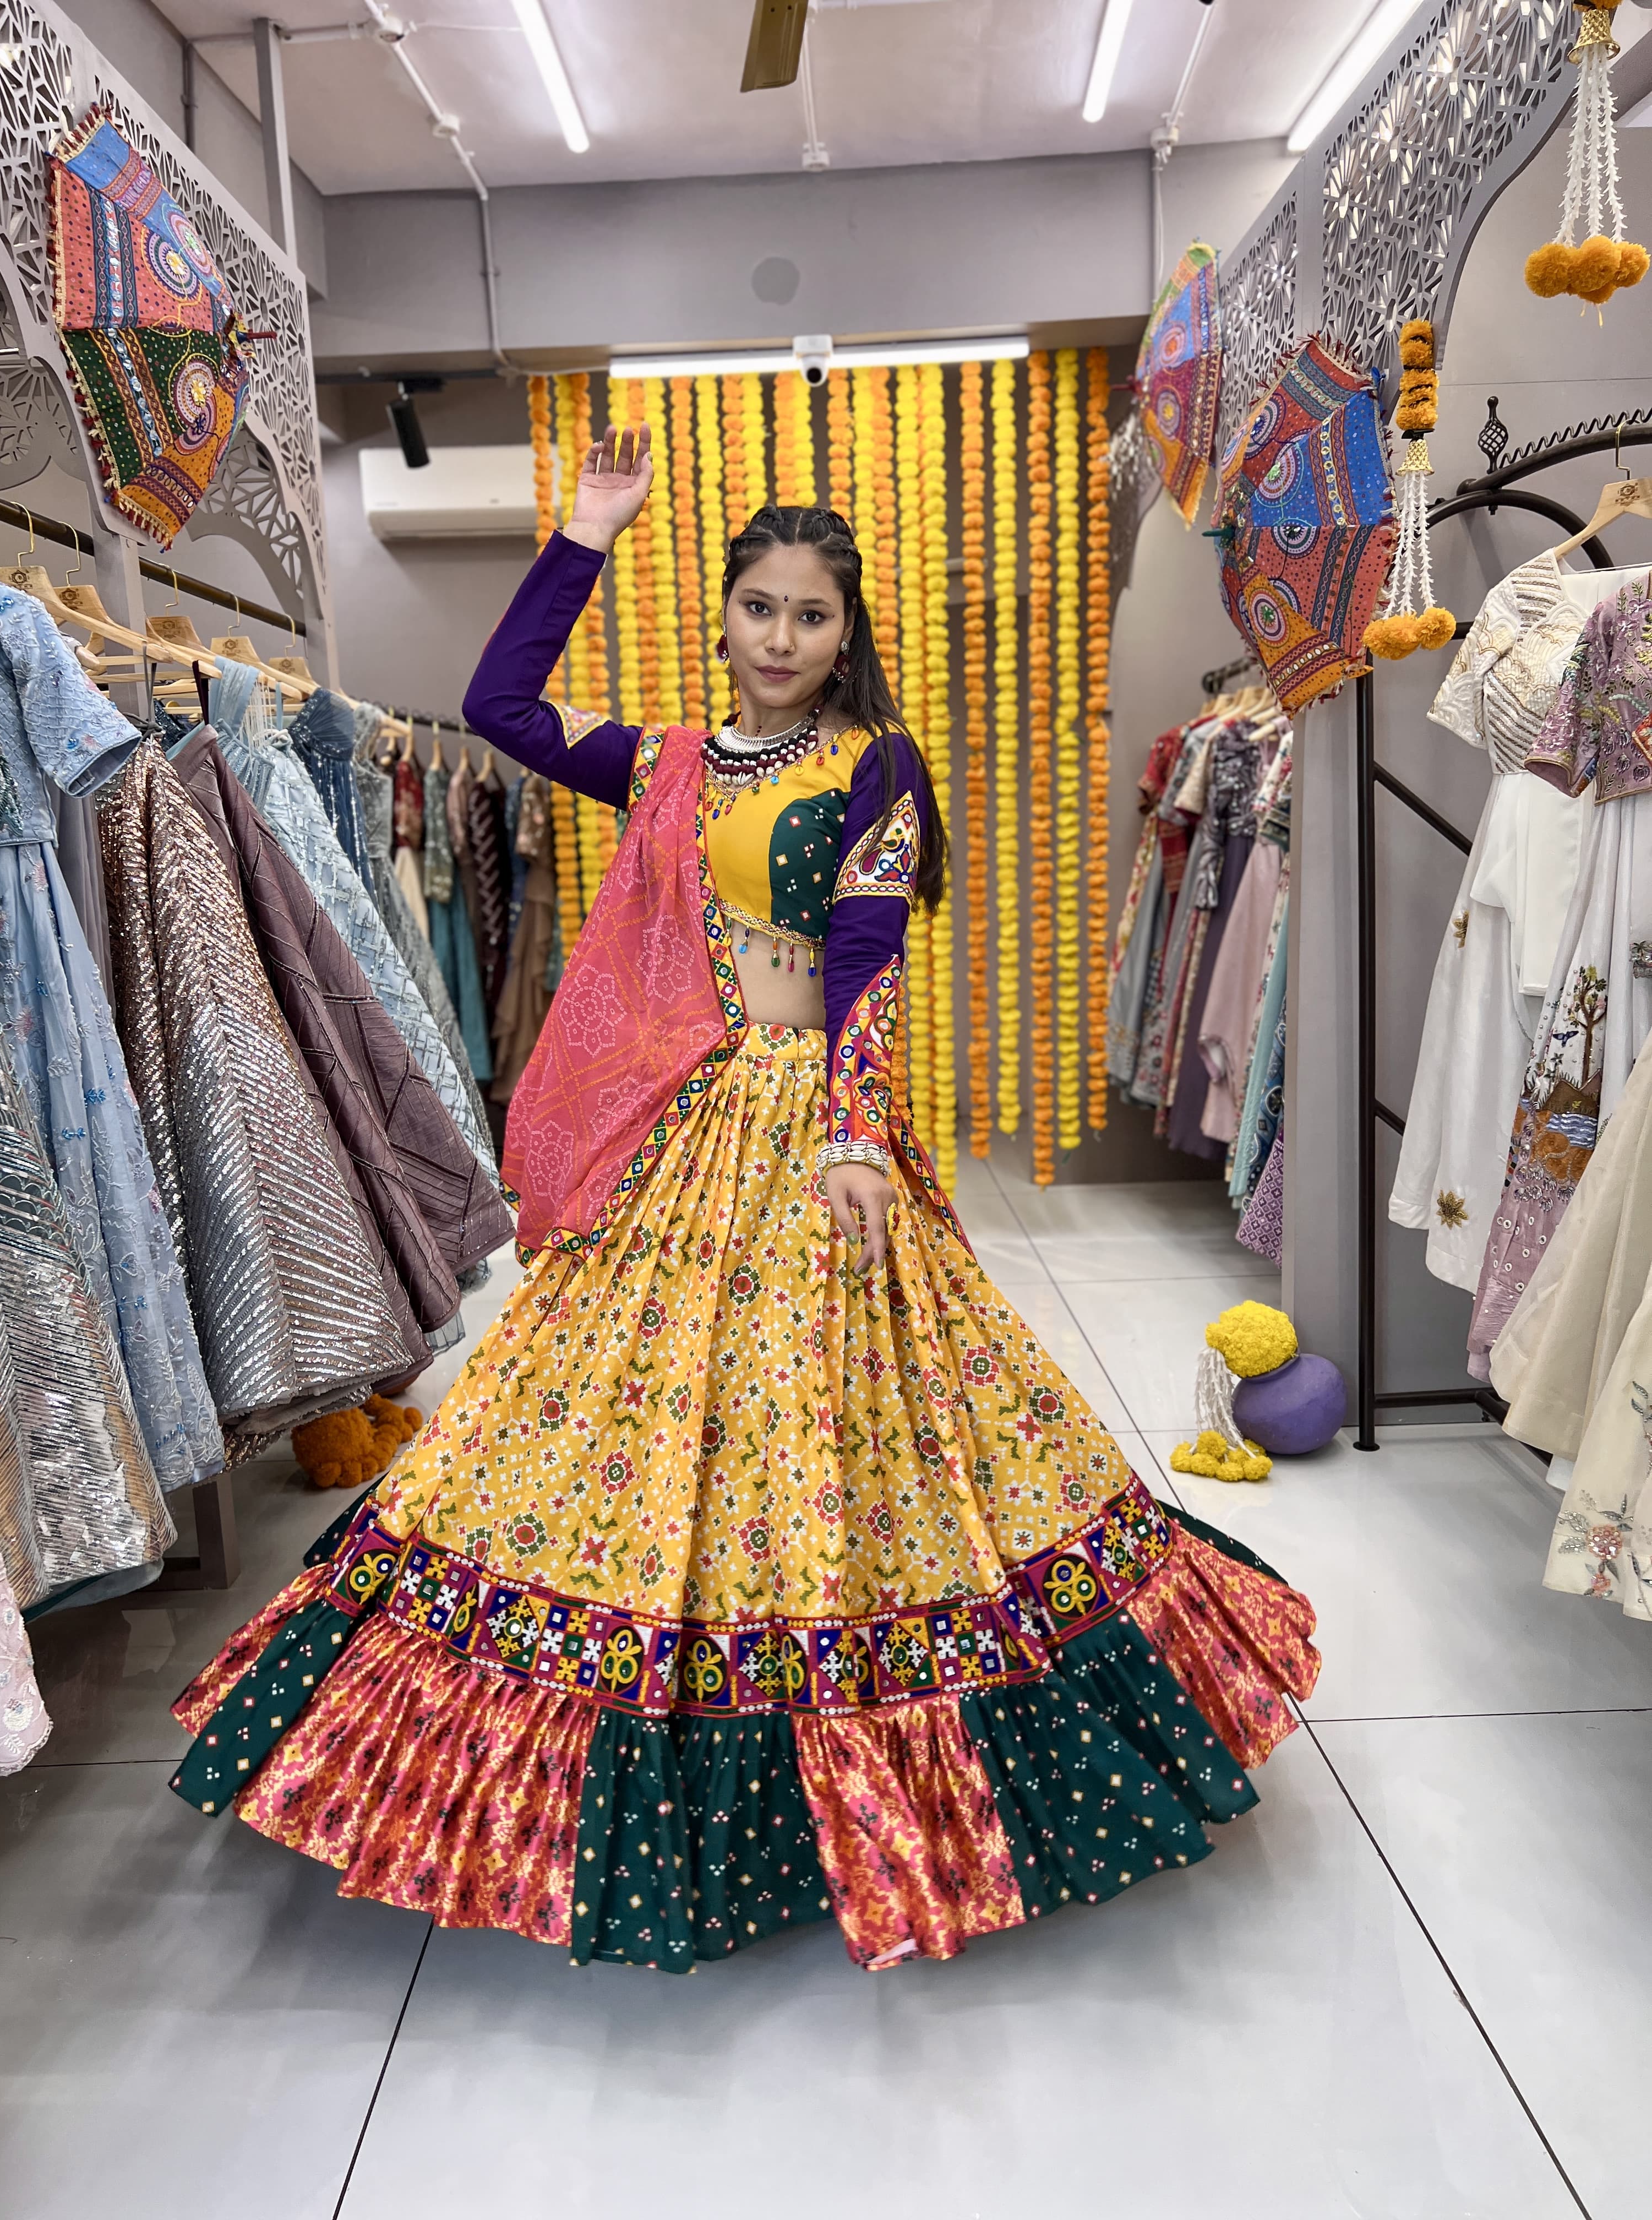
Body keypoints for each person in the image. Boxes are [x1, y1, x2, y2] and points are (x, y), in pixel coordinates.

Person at [168, 427, 1321, 1974]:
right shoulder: (668, 764)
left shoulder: (877, 768)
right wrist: (580, 534)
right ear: (725, 616)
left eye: (813, 614)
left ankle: (861, 1749)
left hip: (814, 1129)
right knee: (612, 1435)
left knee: (844, 1437)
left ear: (851, 634)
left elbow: (866, 961)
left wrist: (856, 1130)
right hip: (682, 1126)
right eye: (760, 608)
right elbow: (503, 707)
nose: (783, 638)